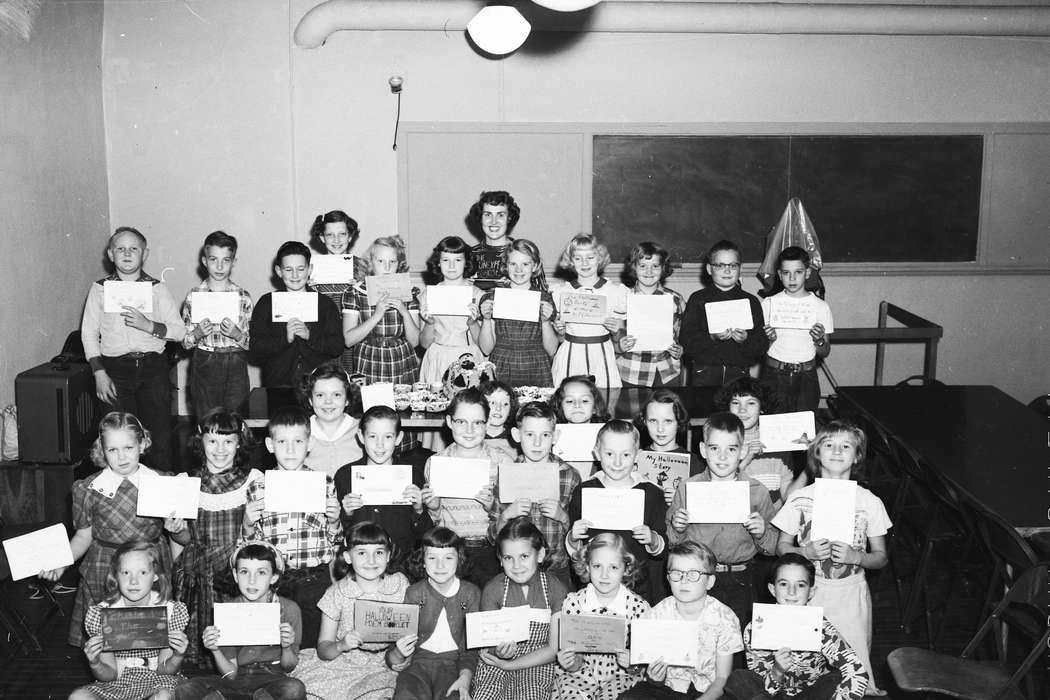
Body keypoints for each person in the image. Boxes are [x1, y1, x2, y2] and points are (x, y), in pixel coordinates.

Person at [41, 412, 181, 647]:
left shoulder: (162, 482)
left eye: (128, 447)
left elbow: (176, 535)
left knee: (150, 636)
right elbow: (84, 536)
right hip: (106, 567)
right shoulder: (88, 489)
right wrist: (61, 562)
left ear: (143, 444)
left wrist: (176, 563)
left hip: (151, 564)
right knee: (109, 641)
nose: (122, 456)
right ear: (101, 450)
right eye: (112, 450)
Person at [772, 421, 890, 696]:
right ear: (816, 453)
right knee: (805, 662)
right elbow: (782, 547)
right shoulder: (800, 498)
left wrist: (857, 557)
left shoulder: (869, 501)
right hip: (807, 593)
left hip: (850, 593)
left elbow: (881, 557)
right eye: (829, 445)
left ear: (857, 455)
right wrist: (805, 552)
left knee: (854, 662)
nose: (837, 451)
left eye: (846, 446)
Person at [81, 227, 185, 469]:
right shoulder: (99, 289)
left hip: (153, 369)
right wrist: (98, 372)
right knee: (118, 437)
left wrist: (150, 326)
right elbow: (88, 333)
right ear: (110, 254)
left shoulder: (157, 289)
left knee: (158, 438)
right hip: (114, 371)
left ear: (145, 254)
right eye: (120, 248)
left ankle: (160, 500)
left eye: (134, 248)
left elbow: (179, 331)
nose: (127, 254)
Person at [242, 406, 343, 649]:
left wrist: (335, 520)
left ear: (309, 444)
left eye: (298, 441)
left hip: (314, 578)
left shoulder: (325, 483)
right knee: (278, 643)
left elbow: (335, 541)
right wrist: (246, 522)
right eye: (282, 441)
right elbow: (251, 546)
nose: (290, 449)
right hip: (277, 579)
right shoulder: (258, 487)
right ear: (269, 444)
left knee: (312, 642)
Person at [666, 412, 778, 626]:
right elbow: (673, 544)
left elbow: (773, 547)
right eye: (714, 448)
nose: (722, 457)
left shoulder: (756, 491)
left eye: (732, 449)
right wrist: (678, 528)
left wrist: (762, 533)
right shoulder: (687, 488)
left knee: (735, 643)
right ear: (703, 450)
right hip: (696, 579)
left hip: (740, 579)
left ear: (742, 451)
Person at [172, 409, 263, 670]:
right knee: (197, 654)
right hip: (197, 571)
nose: (220, 449)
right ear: (201, 441)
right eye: (213, 441)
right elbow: (186, 537)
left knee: (236, 650)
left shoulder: (253, 481)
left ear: (239, 442)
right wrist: (174, 529)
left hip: (234, 569)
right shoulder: (186, 482)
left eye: (228, 441)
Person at [724, 553, 869, 700]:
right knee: (739, 678)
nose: (791, 591)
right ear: (772, 589)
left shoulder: (821, 627)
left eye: (800, 585)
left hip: (810, 695)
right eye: (783, 584)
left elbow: (858, 672)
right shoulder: (756, 627)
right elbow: (763, 688)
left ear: (811, 591)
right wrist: (777, 672)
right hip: (773, 695)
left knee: (835, 677)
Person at [291, 524, 411, 700]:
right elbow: (324, 649)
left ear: (388, 556)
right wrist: (342, 645)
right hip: (340, 664)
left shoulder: (399, 585)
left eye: (378, 552)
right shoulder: (337, 592)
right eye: (362, 553)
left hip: (380, 666)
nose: (371, 560)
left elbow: (410, 631)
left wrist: (402, 653)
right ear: (348, 557)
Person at [174, 542, 306, 700]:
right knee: (186, 688)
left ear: (274, 577)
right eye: (244, 572)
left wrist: (286, 647)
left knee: (293, 688)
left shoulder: (289, 609)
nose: (252, 580)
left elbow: (289, 666)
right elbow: (230, 674)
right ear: (236, 575)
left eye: (261, 572)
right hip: (236, 681)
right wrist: (215, 649)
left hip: (272, 679)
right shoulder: (229, 611)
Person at [617, 541, 743, 700]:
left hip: (707, 690)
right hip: (667, 687)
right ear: (668, 579)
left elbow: (722, 678)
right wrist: (655, 678)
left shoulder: (725, 617)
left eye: (693, 574)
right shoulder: (656, 615)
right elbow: (652, 679)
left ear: (710, 582)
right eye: (677, 573)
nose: (684, 581)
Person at [70, 540, 189, 700]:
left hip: (159, 680)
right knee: (78, 697)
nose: (133, 581)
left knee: (163, 697)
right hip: (117, 683)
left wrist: (178, 655)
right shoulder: (104, 614)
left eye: (142, 573)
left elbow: (165, 671)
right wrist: (95, 663)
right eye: (126, 572)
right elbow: (109, 675)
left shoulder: (170, 611)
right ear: (116, 576)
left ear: (155, 575)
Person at [567, 420, 667, 604]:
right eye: (610, 454)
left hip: (637, 588)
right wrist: (573, 537)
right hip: (594, 588)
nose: (618, 462)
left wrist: (652, 539)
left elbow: (662, 548)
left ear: (638, 455)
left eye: (626, 454)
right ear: (597, 452)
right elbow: (575, 550)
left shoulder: (651, 494)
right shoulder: (584, 491)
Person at [423, 388, 512, 588]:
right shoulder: (436, 463)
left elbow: (511, 517)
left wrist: (493, 507)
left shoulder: (502, 462)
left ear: (487, 424)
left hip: (491, 551)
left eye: (477, 423)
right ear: (449, 422)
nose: (469, 430)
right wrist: (434, 507)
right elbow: (436, 521)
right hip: (451, 552)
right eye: (461, 422)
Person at [473, 517, 569, 700]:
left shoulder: (556, 588)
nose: (516, 566)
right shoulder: (493, 589)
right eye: (509, 558)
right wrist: (499, 652)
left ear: (540, 555)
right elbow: (488, 644)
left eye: (524, 556)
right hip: (495, 665)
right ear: (500, 559)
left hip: (538, 662)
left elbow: (554, 648)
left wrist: (511, 665)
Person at [488, 401, 581, 588]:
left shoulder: (569, 475)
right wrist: (507, 515)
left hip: (557, 569)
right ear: (516, 435)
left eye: (545, 435)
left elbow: (582, 537)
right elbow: (492, 536)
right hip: (516, 569)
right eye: (530, 435)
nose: (537, 443)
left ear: (555, 436)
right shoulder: (507, 475)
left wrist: (563, 517)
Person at [386, 527, 481, 700]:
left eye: (448, 558)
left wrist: (465, 678)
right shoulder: (413, 593)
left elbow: (472, 647)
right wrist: (398, 654)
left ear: (459, 559)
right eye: (432, 558)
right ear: (422, 561)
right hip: (417, 664)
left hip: (454, 665)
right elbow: (398, 639)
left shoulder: (471, 593)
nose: (440, 565)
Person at [552, 533, 649, 700]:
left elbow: (644, 662)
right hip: (580, 675)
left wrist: (632, 663)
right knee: (569, 692)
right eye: (597, 566)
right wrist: (571, 662)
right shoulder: (575, 604)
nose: (604, 575)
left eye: (613, 567)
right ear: (587, 567)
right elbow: (575, 661)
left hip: (621, 676)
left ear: (625, 569)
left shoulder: (637, 608)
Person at [334, 405, 433, 567]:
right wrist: (347, 514)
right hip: (360, 567)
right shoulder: (345, 476)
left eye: (387, 437)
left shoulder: (413, 475)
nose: (380, 445)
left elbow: (424, 535)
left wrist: (418, 509)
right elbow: (338, 535)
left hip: (402, 564)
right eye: (372, 436)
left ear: (399, 438)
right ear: (361, 436)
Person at [249, 240, 343, 388]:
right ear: (279, 271)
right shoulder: (267, 303)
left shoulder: (325, 304)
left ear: (310, 269)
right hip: (278, 384)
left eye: (300, 269)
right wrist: (285, 339)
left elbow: (337, 346)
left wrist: (310, 335)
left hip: (317, 384)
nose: (295, 275)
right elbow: (255, 346)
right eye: (288, 269)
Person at [180, 230, 253, 419]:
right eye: (213, 260)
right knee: (205, 419)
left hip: (235, 361)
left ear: (233, 262)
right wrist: (196, 333)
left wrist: (238, 335)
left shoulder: (243, 297)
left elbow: (252, 344)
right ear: (204, 261)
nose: (219, 266)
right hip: (205, 360)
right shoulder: (194, 296)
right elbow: (185, 343)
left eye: (226, 260)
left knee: (236, 418)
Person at [680, 240, 768, 388]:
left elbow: (761, 345)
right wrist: (711, 337)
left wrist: (745, 339)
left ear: (740, 268)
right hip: (704, 374)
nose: (727, 271)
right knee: (703, 410)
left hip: (739, 375)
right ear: (709, 269)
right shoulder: (698, 299)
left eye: (733, 265)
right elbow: (686, 341)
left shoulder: (751, 302)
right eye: (720, 265)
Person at [478, 239, 560, 387]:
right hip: (502, 363)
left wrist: (546, 321)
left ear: (535, 266)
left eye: (525, 264)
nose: (518, 270)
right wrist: (486, 319)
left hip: (536, 365)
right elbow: (486, 349)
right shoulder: (493, 298)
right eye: (513, 264)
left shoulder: (544, 299)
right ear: (505, 266)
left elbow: (552, 349)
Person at [760, 246, 833, 413]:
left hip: (806, 376)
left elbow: (825, 351)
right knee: (773, 428)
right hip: (774, 374)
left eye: (798, 272)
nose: (792, 278)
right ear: (779, 275)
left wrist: (819, 339)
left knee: (803, 432)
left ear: (807, 273)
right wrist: (769, 339)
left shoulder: (821, 307)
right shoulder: (769, 303)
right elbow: (759, 349)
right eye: (786, 273)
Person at [342, 235, 422, 385]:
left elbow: (415, 342)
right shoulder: (355, 292)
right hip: (368, 359)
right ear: (371, 262)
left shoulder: (409, 292)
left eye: (392, 262)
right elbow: (349, 340)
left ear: (399, 264)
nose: (387, 267)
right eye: (380, 261)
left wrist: (404, 312)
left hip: (402, 360)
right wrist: (376, 316)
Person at [551, 234, 627, 387]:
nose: (584, 263)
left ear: (599, 258)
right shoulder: (561, 292)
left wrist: (615, 330)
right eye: (578, 258)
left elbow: (620, 335)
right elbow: (559, 338)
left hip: (601, 354)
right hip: (571, 354)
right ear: (571, 261)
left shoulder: (614, 292)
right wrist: (560, 331)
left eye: (590, 257)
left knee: (604, 400)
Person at [715, 378, 802, 509]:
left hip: (771, 523)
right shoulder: (719, 443)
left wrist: (810, 467)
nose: (742, 410)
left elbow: (787, 497)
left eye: (750, 403)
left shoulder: (778, 445)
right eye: (735, 403)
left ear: (762, 408)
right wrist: (746, 459)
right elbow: (718, 493)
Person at [615, 242, 686, 387]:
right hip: (631, 372)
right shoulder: (622, 299)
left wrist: (680, 349)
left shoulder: (676, 300)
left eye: (655, 266)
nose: (649, 271)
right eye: (643, 266)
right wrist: (620, 346)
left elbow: (682, 335)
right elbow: (613, 338)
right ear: (634, 267)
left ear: (663, 268)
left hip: (667, 372)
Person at [419, 235, 484, 385]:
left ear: (466, 263)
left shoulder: (478, 295)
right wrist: (429, 323)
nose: (452, 266)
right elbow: (424, 343)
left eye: (458, 260)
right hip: (437, 357)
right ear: (438, 263)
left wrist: (473, 323)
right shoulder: (428, 295)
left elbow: (484, 346)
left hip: (468, 356)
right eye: (446, 260)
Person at [309, 210, 368, 373]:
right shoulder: (310, 268)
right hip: (323, 343)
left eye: (342, 234)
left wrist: (361, 289)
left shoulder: (362, 267)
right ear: (322, 237)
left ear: (350, 237)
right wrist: (306, 290)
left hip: (354, 344)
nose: (336, 240)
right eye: (330, 235)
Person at [636, 389, 705, 506]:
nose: (660, 429)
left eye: (668, 421)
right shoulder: (635, 459)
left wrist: (681, 499)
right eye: (653, 421)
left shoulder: (694, 463)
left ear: (679, 422)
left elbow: (702, 504)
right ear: (644, 421)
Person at [300, 362, 363, 477]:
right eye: (320, 395)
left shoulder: (363, 430)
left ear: (347, 399)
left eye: (336, 395)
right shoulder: (299, 432)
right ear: (310, 400)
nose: (328, 401)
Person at [551, 374, 610, 480]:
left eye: (584, 401)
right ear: (560, 407)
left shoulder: (608, 437)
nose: (577, 405)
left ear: (595, 408)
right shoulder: (551, 437)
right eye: (569, 401)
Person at [468, 190, 520, 289]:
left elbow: (541, 295)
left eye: (500, 215)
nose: (494, 221)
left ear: (509, 218)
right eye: (488, 214)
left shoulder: (524, 253)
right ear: (480, 218)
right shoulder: (469, 255)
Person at [480, 380, 520, 462]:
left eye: (505, 404)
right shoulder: (471, 436)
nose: (499, 408)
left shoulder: (516, 439)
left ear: (510, 409)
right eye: (493, 403)